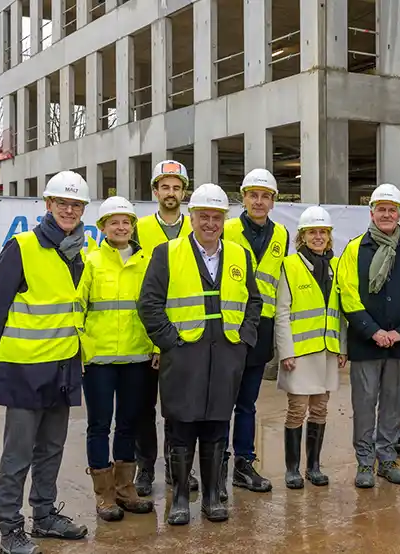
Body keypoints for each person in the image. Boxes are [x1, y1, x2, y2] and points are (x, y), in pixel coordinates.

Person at [137, 183, 263, 525]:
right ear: (191, 218)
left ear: (224, 220)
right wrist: (169, 341)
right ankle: (179, 498)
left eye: (216, 217)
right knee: (181, 426)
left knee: (217, 425)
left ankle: (211, 496)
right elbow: (148, 303)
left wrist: (244, 339)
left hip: (226, 355)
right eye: (203, 216)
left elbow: (254, 301)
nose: (210, 223)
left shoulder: (240, 254)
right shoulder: (167, 252)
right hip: (184, 357)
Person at [0, 171, 91, 554]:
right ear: (48, 205)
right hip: (25, 370)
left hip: (62, 368)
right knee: (18, 454)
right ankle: (10, 530)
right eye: (62, 203)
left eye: (75, 205)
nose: (68, 209)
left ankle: (44, 516)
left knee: (51, 448)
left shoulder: (79, 252)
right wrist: (11, 355)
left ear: (82, 210)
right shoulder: (23, 247)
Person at [338, 183, 400, 489]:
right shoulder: (353, 249)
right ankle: (364, 462)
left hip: (399, 344)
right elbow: (347, 294)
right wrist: (373, 331)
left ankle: (387, 459)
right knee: (364, 402)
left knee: (392, 401)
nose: (387, 214)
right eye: (381, 209)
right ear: (371, 212)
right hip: (366, 342)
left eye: (392, 210)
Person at [79, 197, 155, 521]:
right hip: (99, 361)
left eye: (126, 222)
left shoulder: (146, 262)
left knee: (128, 425)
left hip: (137, 358)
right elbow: (77, 308)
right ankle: (104, 496)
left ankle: (126, 489)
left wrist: (156, 347)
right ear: (102, 228)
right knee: (99, 425)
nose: (121, 227)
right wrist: (82, 350)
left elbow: (154, 308)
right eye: (114, 222)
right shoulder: (90, 261)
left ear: (133, 226)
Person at [221, 168, 288, 496]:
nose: (259, 201)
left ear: (273, 202)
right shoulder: (227, 228)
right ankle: (216, 465)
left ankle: (244, 465)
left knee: (247, 404)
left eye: (266, 196)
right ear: (243, 198)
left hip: (261, 327)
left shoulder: (282, 235)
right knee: (220, 402)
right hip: (228, 327)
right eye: (253, 195)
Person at [132, 160, 197, 496]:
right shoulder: (138, 228)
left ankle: (177, 467)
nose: (171, 193)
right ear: (155, 191)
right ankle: (145, 468)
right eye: (165, 187)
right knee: (144, 407)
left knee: (178, 406)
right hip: (145, 334)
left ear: (183, 192)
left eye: (177, 187)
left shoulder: (195, 229)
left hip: (183, 335)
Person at [275, 206, 347, 489]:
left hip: (327, 351)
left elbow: (341, 312)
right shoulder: (289, 266)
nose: (318, 237)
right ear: (302, 236)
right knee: (297, 410)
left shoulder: (337, 265)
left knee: (320, 409)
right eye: (312, 232)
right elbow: (282, 312)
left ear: (329, 237)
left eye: (323, 232)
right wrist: (286, 351)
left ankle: (313, 467)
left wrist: (342, 347)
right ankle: (292, 469)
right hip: (300, 353)